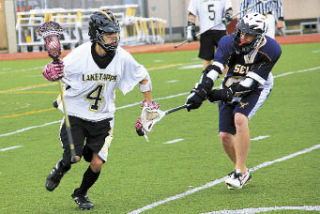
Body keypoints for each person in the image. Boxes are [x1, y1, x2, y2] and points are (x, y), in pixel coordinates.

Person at [42, 10, 159, 210]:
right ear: (96, 35)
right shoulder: (79, 55)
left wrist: (147, 105)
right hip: (76, 114)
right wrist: (48, 71)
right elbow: (57, 71)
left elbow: (143, 76)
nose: (113, 39)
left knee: (96, 163)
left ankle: (81, 193)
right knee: (74, 157)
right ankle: (60, 169)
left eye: (115, 35)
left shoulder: (122, 57)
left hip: (103, 117)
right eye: (108, 35)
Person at [185, 13, 282, 189]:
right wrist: (200, 89)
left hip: (257, 86)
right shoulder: (228, 41)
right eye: (241, 32)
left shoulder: (272, 50)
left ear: (259, 36)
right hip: (232, 80)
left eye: (248, 35)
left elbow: (249, 84)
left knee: (239, 118)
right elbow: (216, 68)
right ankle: (244, 171)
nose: (242, 37)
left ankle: (238, 171)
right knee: (224, 136)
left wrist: (220, 94)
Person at [186, 0, 233, 69]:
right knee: (207, 59)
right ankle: (206, 78)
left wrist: (228, 16)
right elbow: (192, 14)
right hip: (206, 32)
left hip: (220, 30)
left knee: (225, 57)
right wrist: (190, 30)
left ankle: (228, 78)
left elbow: (229, 10)